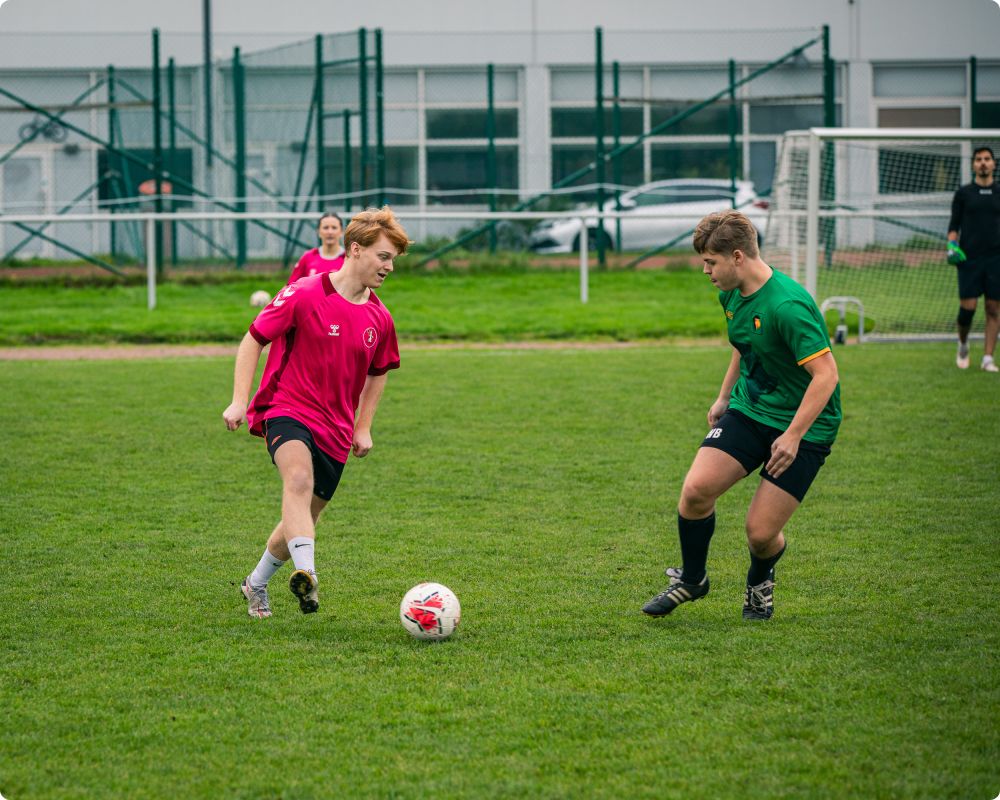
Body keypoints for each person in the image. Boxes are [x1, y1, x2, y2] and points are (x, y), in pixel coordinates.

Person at [642, 210, 841, 621]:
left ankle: (760, 581)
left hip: (805, 424)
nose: (705, 271)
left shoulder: (788, 306)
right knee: (696, 491)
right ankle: (693, 579)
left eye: (710, 262)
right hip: (750, 410)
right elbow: (744, 341)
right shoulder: (731, 292)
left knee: (761, 533)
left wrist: (793, 435)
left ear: (737, 257)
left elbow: (827, 376)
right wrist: (724, 395)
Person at [223, 207, 409, 618]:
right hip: (285, 406)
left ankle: (255, 583)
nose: (390, 266)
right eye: (383, 256)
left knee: (304, 514)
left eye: (393, 259)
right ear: (356, 250)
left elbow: (379, 372)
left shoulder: (380, 317)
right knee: (298, 478)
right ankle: (307, 575)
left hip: (337, 429)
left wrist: (364, 427)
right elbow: (253, 339)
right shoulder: (305, 293)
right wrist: (240, 399)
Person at [947, 146, 1000, 372]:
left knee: (993, 308)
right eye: (979, 159)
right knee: (967, 309)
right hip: (969, 259)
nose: (983, 163)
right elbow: (953, 226)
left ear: (994, 164)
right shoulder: (964, 193)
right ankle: (963, 343)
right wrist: (952, 246)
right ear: (973, 165)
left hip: (996, 259)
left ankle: (988, 357)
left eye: (987, 159)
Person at [288, 211, 346, 284]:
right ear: (318, 232)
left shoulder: (348, 259)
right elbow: (290, 287)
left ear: (341, 232)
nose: (330, 232)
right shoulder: (308, 257)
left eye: (334, 228)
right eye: (326, 228)